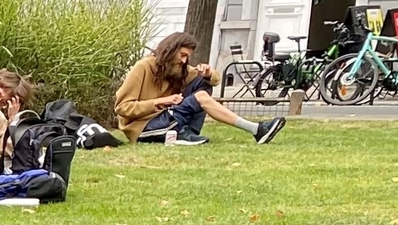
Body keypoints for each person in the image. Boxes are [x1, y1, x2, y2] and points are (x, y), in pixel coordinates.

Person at [114, 33, 285, 145]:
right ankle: (256, 129)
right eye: (182, 55)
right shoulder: (143, 67)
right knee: (201, 96)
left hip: (167, 118)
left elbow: (214, 80)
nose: (184, 61)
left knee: (202, 83)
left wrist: (209, 73)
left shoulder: (177, 69)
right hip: (143, 128)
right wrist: (159, 102)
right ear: (170, 51)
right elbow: (122, 108)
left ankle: (187, 132)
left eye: (187, 57)